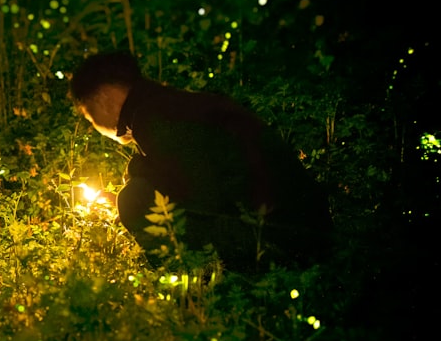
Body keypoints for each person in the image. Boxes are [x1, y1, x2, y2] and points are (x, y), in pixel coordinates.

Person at [70, 52, 331, 271]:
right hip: (303, 227)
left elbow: (200, 198)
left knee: (134, 199)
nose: (94, 124)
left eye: (89, 116)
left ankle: (194, 288)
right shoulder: (173, 104)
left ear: (103, 99)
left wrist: (136, 189)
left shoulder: (154, 117)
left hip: (282, 240)